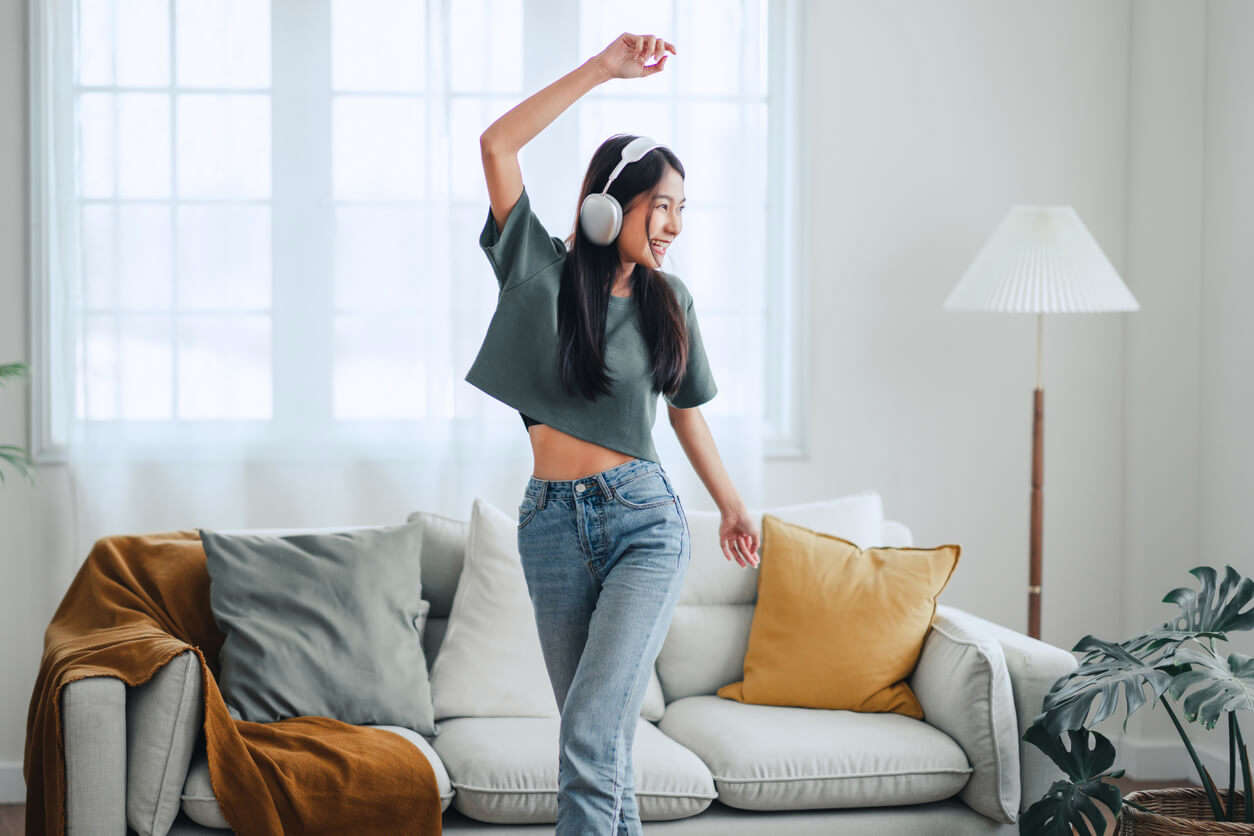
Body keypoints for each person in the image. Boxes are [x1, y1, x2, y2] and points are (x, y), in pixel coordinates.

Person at [468, 31, 761, 836]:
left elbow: (686, 411)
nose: (671, 225)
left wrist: (732, 505)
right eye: (658, 205)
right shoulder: (538, 271)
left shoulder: (674, 304)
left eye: (681, 211)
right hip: (550, 526)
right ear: (610, 204)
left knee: (593, 739)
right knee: (602, 749)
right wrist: (603, 69)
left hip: (644, 523)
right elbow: (497, 143)